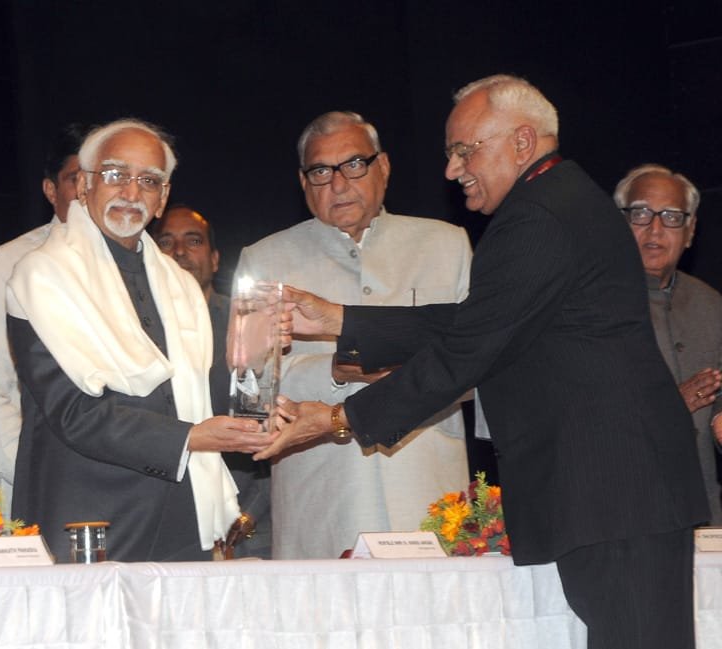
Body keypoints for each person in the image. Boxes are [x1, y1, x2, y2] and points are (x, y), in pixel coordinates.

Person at [261, 76, 709, 649]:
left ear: (522, 142)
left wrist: (336, 419)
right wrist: (341, 320)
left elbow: (468, 348)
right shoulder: (558, 202)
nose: (452, 170)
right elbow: (480, 323)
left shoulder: (539, 217)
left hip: (614, 492)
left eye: (464, 150)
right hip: (617, 492)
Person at [5, 118, 272, 562]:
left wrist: (253, 360)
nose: (131, 193)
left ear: (163, 197)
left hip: (183, 516)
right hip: (88, 519)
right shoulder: (43, 276)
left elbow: (197, 400)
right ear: (84, 185)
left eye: (148, 181)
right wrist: (188, 439)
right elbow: (74, 413)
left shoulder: (180, 286)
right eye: (116, 175)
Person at [236, 110, 473, 559]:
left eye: (354, 164)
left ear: (383, 167)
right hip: (321, 496)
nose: (339, 184)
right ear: (303, 182)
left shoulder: (446, 245)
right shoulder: (265, 260)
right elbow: (250, 390)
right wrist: (338, 368)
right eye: (321, 171)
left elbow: (481, 364)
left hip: (428, 493)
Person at [0, 124, 89, 516]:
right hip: (40, 489)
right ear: (50, 190)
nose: (88, 191)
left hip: (129, 491)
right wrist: (37, 472)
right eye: (76, 179)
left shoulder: (144, 268)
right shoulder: (9, 263)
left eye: (100, 178)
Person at [151, 204, 272, 558]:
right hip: (160, 522)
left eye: (193, 241)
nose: (179, 252)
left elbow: (267, 423)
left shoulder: (247, 324)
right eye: (166, 242)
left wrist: (246, 515)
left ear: (216, 260)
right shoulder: (131, 333)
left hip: (248, 525)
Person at [614, 164, 722, 523]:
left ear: (690, 232)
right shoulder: (588, 305)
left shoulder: (711, 304)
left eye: (672, 217)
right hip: (622, 512)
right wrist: (670, 405)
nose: (656, 229)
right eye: (641, 214)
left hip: (702, 510)